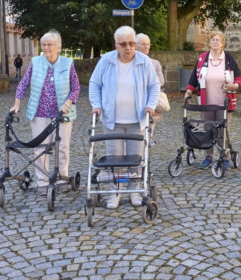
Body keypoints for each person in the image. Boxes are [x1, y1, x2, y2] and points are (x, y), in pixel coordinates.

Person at [89, 26, 160, 209]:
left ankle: (135, 190)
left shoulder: (144, 62)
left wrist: (150, 105)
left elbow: (154, 86)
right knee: (116, 158)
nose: (128, 48)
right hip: (113, 120)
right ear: (116, 45)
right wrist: (96, 105)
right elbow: (95, 83)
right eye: (123, 44)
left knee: (135, 157)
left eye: (131, 43)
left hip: (137, 120)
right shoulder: (106, 60)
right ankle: (116, 191)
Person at [10, 30, 80, 194]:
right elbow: (23, 84)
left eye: (50, 44)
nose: (46, 47)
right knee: (40, 148)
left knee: (62, 147)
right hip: (39, 112)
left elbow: (76, 87)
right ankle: (42, 182)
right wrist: (16, 104)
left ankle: (62, 179)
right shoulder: (36, 62)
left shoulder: (67, 63)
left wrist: (68, 102)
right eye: (44, 44)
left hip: (62, 115)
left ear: (59, 47)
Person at [185, 30, 241, 170]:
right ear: (209, 42)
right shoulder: (202, 58)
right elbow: (194, 77)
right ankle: (208, 157)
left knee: (223, 131)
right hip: (206, 102)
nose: (215, 42)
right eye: (213, 40)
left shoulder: (229, 59)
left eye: (218, 40)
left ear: (223, 43)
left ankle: (224, 158)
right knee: (207, 129)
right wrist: (188, 92)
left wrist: (233, 86)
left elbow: (239, 78)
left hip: (224, 102)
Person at [136, 33, 165, 145]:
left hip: (151, 102)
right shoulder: (130, 62)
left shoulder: (155, 63)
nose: (146, 46)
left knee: (149, 130)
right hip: (135, 102)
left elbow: (161, 81)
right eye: (143, 44)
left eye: (148, 44)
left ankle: (146, 151)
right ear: (136, 45)